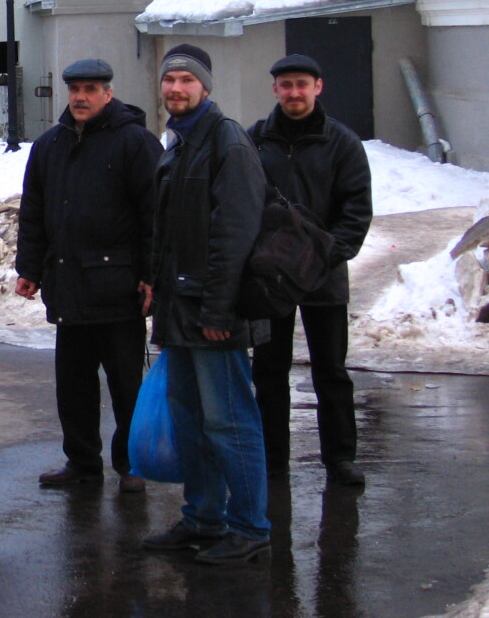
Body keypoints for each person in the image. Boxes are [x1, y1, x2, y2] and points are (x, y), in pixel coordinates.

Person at [141, 43, 271, 567]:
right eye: (169, 79)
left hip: (214, 313)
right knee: (191, 420)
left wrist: (219, 311)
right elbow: (171, 231)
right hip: (180, 309)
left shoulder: (227, 142)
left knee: (229, 423)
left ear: (205, 87)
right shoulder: (179, 143)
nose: (176, 88)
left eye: (186, 80)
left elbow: (234, 236)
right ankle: (203, 517)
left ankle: (250, 526)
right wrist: (155, 284)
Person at [15, 59, 162, 493]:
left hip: (119, 287)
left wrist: (151, 274)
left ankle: (131, 463)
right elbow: (34, 212)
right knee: (73, 384)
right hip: (68, 284)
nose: (80, 97)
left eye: (90, 89)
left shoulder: (135, 143)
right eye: (75, 89)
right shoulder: (50, 145)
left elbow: (155, 215)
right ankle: (81, 462)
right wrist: (29, 268)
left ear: (108, 93)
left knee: (126, 383)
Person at [248, 54, 373, 486]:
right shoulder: (255, 140)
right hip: (269, 279)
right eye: (286, 85)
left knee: (331, 370)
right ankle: (272, 459)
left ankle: (340, 458)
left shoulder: (341, 143)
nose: (294, 92)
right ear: (275, 90)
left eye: (302, 84)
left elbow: (356, 210)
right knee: (268, 369)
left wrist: (326, 254)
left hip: (323, 274)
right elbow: (240, 201)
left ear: (318, 87)